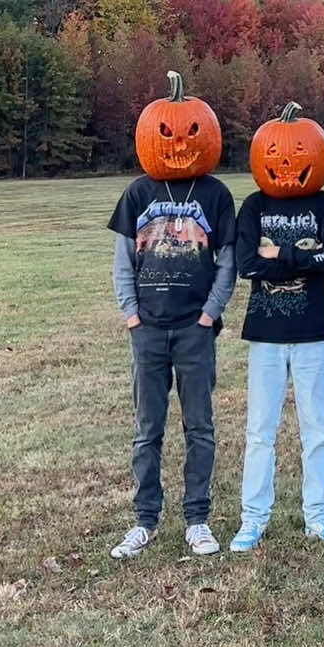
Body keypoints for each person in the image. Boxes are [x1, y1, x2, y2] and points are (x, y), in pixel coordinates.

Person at [108, 169, 236, 558]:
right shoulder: (138, 192)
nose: (177, 142)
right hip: (147, 329)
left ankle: (197, 519)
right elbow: (123, 258)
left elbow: (227, 261)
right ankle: (145, 520)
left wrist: (209, 314)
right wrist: (132, 314)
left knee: (199, 426)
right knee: (148, 428)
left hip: (194, 329)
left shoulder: (215, 194)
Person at [230, 178, 324, 550]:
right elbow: (246, 264)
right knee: (260, 431)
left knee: (317, 429)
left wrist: (278, 253)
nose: (286, 165)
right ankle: (253, 518)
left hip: (312, 333)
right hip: (266, 335)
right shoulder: (254, 205)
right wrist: (302, 262)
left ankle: (318, 514)